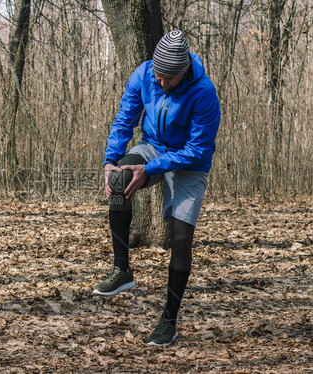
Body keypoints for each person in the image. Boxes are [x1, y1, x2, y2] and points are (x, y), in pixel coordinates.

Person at [93, 30, 221, 346]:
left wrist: (150, 169)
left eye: (168, 80)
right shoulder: (145, 73)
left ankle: (169, 321)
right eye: (158, 77)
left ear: (183, 73)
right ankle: (122, 270)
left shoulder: (204, 93)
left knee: (180, 238)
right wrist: (111, 160)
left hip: (189, 163)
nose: (160, 84)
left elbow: (198, 150)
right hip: (153, 145)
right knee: (121, 177)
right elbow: (125, 119)